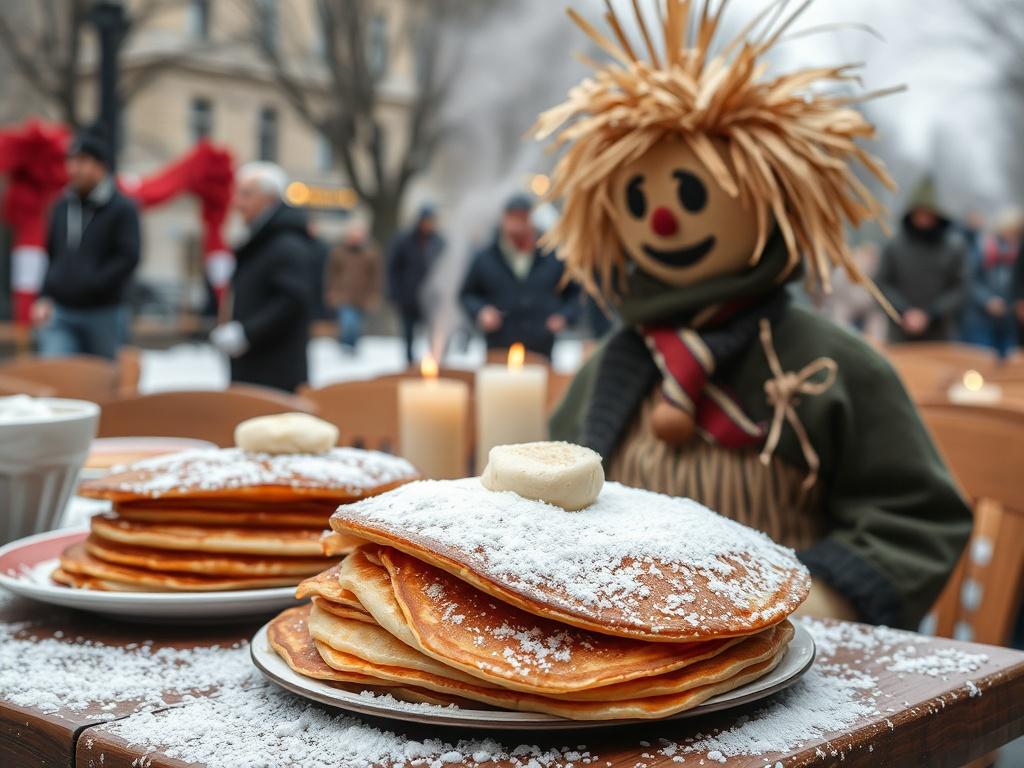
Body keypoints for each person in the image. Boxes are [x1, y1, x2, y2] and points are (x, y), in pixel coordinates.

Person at [544, 0, 969, 629]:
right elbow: (544, 507)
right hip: (620, 667)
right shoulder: (612, 366)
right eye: (639, 198)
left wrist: (824, 599)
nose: (662, 220)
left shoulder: (831, 365)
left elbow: (919, 516)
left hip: (793, 674)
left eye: (694, 193)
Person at [32, 124, 141, 359]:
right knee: (57, 378)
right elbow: (52, 255)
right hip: (61, 311)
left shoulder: (122, 208)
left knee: (103, 384)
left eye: (82, 161)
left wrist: (92, 285)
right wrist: (44, 295)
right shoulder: (61, 206)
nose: (73, 168)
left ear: (101, 166)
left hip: (104, 312)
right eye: (70, 161)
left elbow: (128, 257)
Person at [210, 162, 313, 392]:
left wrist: (247, 333)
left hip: (274, 370)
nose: (238, 203)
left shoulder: (285, 244)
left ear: (269, 199)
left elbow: (292, 301)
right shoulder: (264, 240)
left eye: (246, 194)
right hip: (257, 366)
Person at [459, 194, 580, 359]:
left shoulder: (552, 257)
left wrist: (564, 316)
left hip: (540, 347)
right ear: (504, 219)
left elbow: (575, 293)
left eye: (522, 218)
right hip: (499, 346)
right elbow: (467, 294)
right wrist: (481, 311)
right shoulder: (485, 257)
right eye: (513, 218)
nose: (517, 224)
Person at [876, 180, 968, 343]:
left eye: (928, 214)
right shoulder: (894, 245)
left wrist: (931, 313)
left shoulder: (954, 248)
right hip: (900, 330)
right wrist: (904, 311)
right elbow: (882, 283)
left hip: (938, 332)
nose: (923, 220)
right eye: (919, 214)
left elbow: (960, 287)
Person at [959, 209, 1021, 358]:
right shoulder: (984, 248)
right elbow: (970, 280)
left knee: (1010, 361)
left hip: (1009, 318)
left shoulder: (1018, 253)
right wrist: (987, 300)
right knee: (982, 359)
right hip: (981, 318)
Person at [387, 205, 444, 365]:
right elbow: (393, 268)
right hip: (408, 297)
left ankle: (433, 362)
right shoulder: (404, 241)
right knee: (408, 335)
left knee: (434, 334)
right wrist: (394, 293)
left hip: (432, 299)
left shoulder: (439, 242)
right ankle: (409, 363)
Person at [326, 222, 379, 353]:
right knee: (347, 322)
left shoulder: (370, 255)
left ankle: (352, 345)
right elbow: (331, 274)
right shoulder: (338, 253)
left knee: (356, 325)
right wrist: (332, 291)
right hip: (343, 295)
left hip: (361, 297)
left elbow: (376, 278)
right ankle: (345, 344)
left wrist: (373, 295)